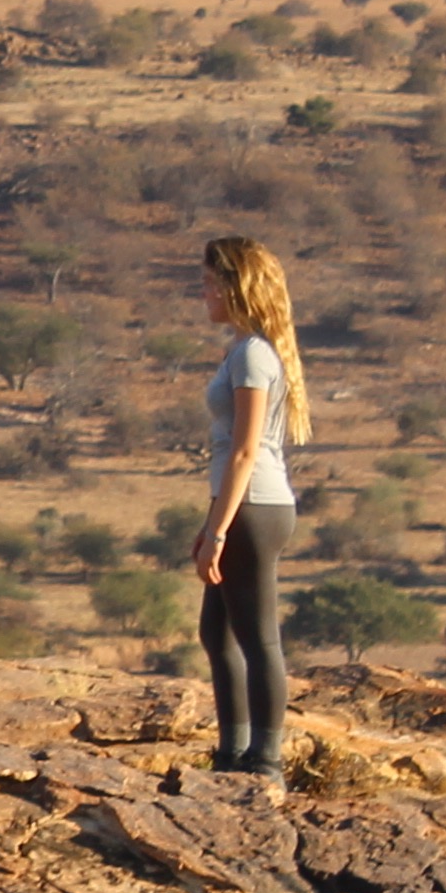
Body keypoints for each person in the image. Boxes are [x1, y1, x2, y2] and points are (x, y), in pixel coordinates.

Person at [191, 235, 312, 776]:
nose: (205, 291)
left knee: (257, 636)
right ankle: (232, 751)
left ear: (238, 287)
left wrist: (220, 530)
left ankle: (264, 760)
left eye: (213, 281)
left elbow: (244, 450)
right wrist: (212, 519)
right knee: (217, 633)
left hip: (255, 507)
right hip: (241, 504)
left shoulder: (254, 355)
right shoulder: (244, 349)